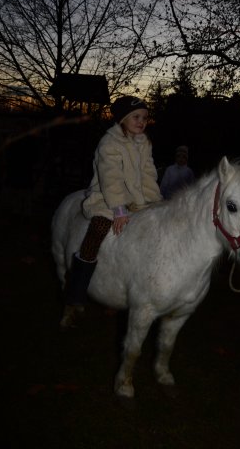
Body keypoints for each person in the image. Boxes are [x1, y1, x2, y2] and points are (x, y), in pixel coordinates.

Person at [60, 95, 162, 329]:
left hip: (138, 200)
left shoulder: (144, 143)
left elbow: (148, 175)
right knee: (97, 229)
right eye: (136, 117)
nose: (141, 121)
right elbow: (110, 177)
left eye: (145, 118)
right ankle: (75, 296)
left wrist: (156, 202)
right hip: (106, 198)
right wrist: (118, 209)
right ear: (123, 119)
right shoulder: (109, 142)